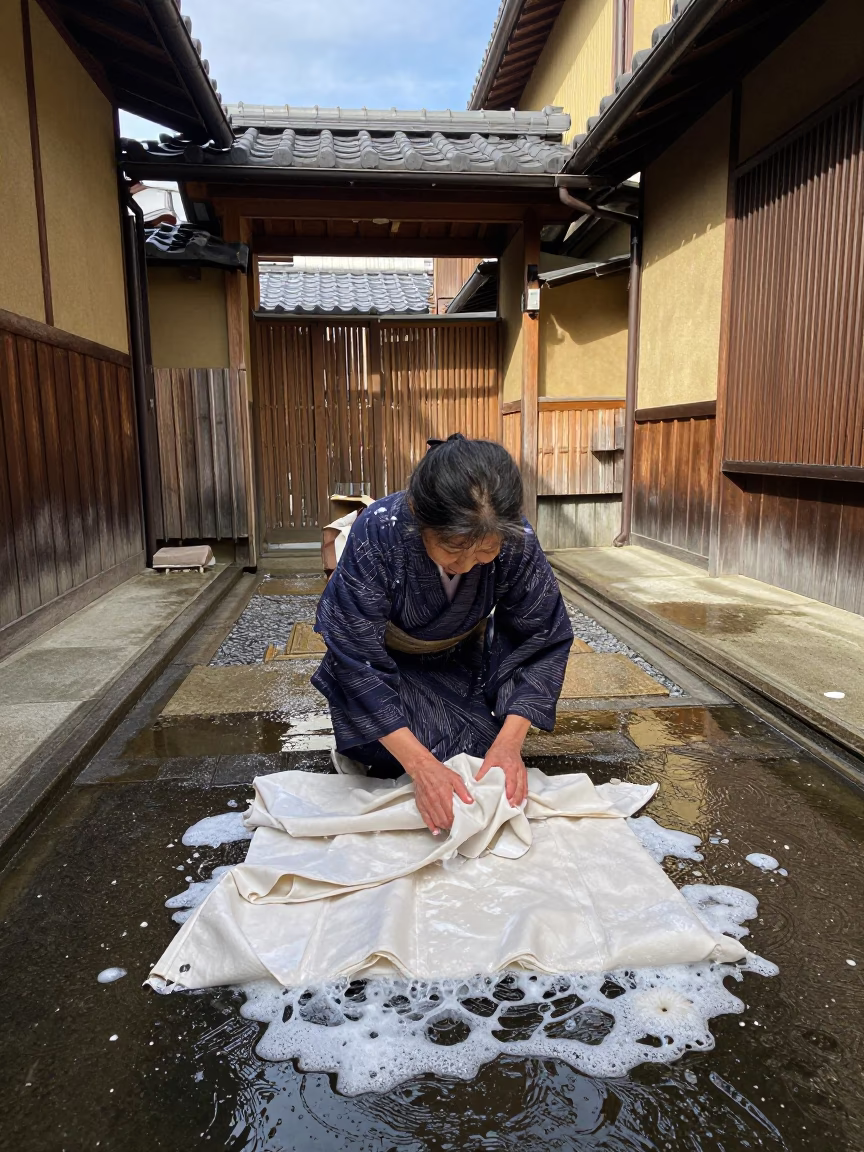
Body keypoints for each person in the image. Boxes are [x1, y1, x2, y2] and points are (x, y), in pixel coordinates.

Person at [312, 434, 574, 835]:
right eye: (453, 547)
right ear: (419, 514)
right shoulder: (379, 530)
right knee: (394, 758)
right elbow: (353, 654)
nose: (466, 565)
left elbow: (542, 638)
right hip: (384, 666)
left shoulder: (515, 538)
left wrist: (510, 744)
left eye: (484, 551)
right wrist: (420, 765)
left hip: (455, 659)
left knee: (480, 758)